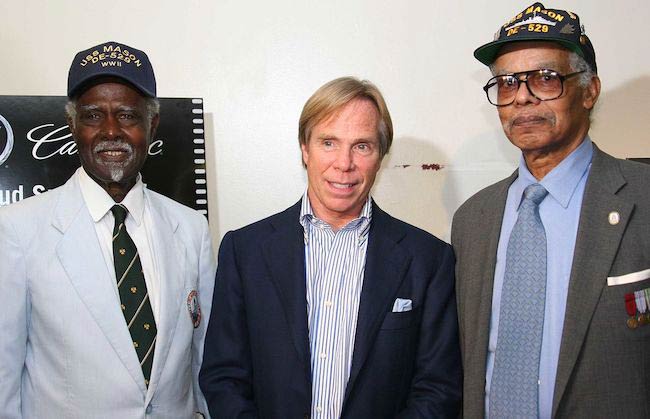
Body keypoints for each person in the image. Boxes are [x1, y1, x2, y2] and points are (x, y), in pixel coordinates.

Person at [199, 76, 461, 418]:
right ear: (305, 150)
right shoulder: (244, 251)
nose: (344, 163)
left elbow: (438, 389)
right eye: (328, 143)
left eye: (362, 146)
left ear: (380, 155)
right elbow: (224, 378)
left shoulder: (428, 259)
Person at [451, 3, 650, 418]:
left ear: (590, 90)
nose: (522, 97)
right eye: (506, 83)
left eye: (544, 78)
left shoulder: (642, 198)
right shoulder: (473, 220)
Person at [0, 41, 215, 418]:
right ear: (72, 125)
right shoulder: (17, 230)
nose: (111, 131)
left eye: (128, 115)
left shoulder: (191, 229)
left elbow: (204, 364)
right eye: (94, 116)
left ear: (153, 123)